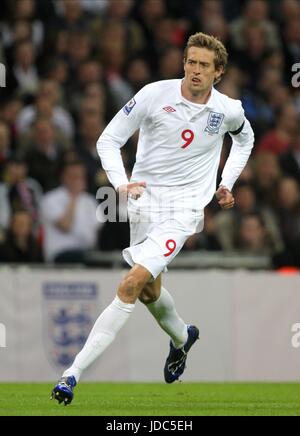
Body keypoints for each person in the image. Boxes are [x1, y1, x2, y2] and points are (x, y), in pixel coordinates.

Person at [51, 32, 254, 405]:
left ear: (218, 72)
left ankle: (70, 375)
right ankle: (182, 336)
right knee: (149, 291)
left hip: (184, 211)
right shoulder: (152, 95)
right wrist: (122, 183)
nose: (194, 70)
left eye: (203, 65)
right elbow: (107, 141)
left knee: (130, 285)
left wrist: (226, 182)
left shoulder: (228, 110)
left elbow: (245, 139)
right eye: (190, 62)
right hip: (143, 206)